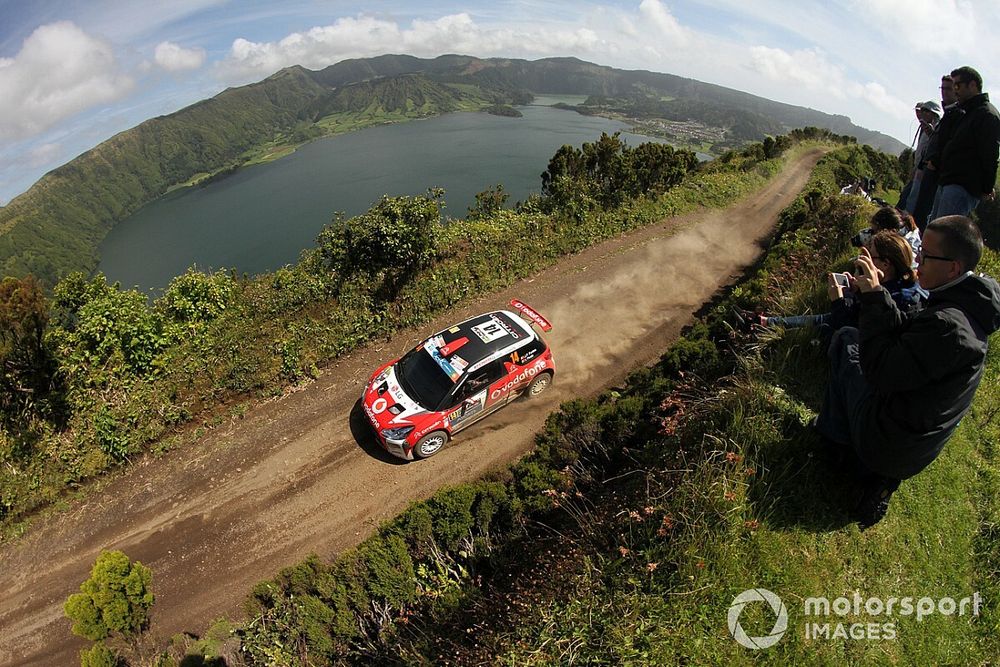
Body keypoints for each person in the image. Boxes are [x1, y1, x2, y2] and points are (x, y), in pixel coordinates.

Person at [815, 215, 1000, 527]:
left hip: (890, 443)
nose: (917, 261)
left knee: (846, 340)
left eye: (926, 255)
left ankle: (834, 449)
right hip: (911, 443)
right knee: (853, 341)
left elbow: (878, 372)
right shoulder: (965, 307)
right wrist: (878, 293)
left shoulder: (949, 327)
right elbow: (909, 335)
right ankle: (871, 473)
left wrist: (872, 300)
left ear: (953, 268)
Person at [756, 232, 925, 332]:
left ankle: (765, 327)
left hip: (855, 351)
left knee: (821, 327)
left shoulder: (896, 299)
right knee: (821, 319)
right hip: (849, 331)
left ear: (885, 264)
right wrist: (854, 292)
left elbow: (846, 325)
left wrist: (838, 299)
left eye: (869, 256)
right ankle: (765, 322)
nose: (863, 259)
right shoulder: (895, 285)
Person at [927, 66, 1000, 219]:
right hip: (947, 181)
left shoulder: (987, 114)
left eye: (957, 86)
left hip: (962, 187)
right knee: (933, 228)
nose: (955, 91)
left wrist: (986, 188)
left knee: (943, 232)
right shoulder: (965, 112)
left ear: (972, 85)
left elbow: (990, 155)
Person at [912, 75, 960, 230]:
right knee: (919, 209)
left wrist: (934, 162)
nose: (944, 92)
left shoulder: (957, 115)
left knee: (926, 213)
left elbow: (950, 144)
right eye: (942, 88)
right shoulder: (948, 115)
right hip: (929, 169)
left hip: (937, 173)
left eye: (948, 88)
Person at [900, 100, 943, 214]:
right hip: (919, 167)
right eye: (920, 111)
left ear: (934, 113)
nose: (921, 114)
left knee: (914, 199)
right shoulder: (924, 128)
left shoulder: (937, 128)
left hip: (926, 169)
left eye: (925, 111)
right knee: (909, 196)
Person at [850, 206, 921, 260]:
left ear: (889, 231)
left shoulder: (900, 250)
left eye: (874, 231)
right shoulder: (901, 234)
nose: (870, 235)